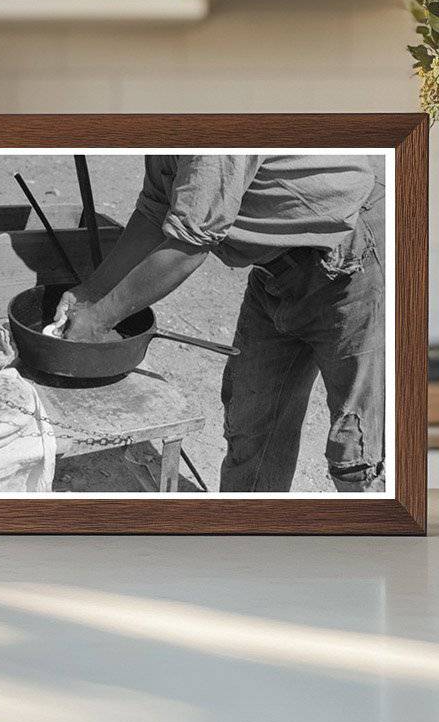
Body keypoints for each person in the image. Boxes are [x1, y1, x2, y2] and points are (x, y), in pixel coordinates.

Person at [57, 155, 386, 493]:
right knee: (252, 423)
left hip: (353, 256)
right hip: (277, 269)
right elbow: (154, 212)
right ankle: (248, 536)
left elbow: (191, 242)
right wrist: (90, 294)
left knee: (356, 452)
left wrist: (99, 320)